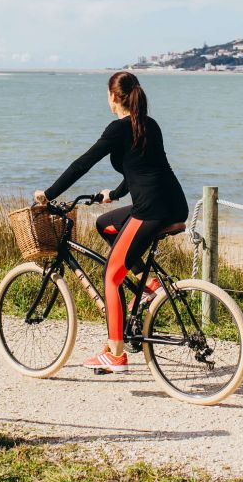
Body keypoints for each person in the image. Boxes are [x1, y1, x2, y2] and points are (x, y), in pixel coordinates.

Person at [34, 71, 189, 374]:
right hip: (173, 204)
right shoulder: (148, 124)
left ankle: (116, 353)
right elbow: (144, 169)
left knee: (111, 275)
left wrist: (49, 193)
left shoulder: (118, 128)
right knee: (105, 224)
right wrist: (115, 194)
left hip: (152, 209)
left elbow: (83, 163)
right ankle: (150, 285)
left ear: (113, 97)